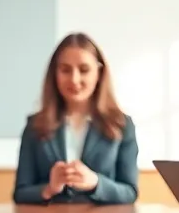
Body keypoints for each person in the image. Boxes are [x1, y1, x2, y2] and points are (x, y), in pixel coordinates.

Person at [13, 33, 138, 204]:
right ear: (54, 74)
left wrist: (95, 182)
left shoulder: (121, 125)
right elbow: (21, 193)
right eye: (65, 70)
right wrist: (49, 188)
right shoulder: (35, 125)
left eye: (84, 70)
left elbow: (130, 192)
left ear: (99, 73)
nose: (74, 79)